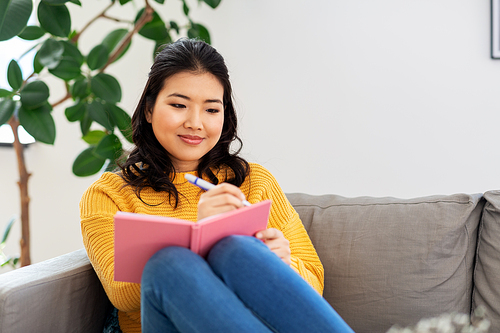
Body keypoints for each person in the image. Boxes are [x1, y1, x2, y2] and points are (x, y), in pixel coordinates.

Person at [80, 38, 354, 333]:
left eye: (211, 110)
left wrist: (282, 264)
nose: (195, 123)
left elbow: (314, 279)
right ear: (148, 110)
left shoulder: (253, 181)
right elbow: (121, 294)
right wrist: (201, 236)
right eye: (178, 105)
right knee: (168, 264)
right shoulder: (109, 194)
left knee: (235, 248)